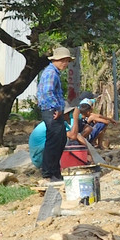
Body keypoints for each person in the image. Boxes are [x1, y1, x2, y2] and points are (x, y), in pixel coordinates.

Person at [37, 47, 73, 182]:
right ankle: (49, 173)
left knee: (60, 140)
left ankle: (55, 172)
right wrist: (56, 108)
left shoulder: (53, 72)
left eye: (67, 61)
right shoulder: (51, 73)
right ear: (55, 60)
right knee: (54, 142)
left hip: (53, 110)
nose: (65, 63)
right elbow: (48, 92)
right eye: (63, 60)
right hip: (51, 111)